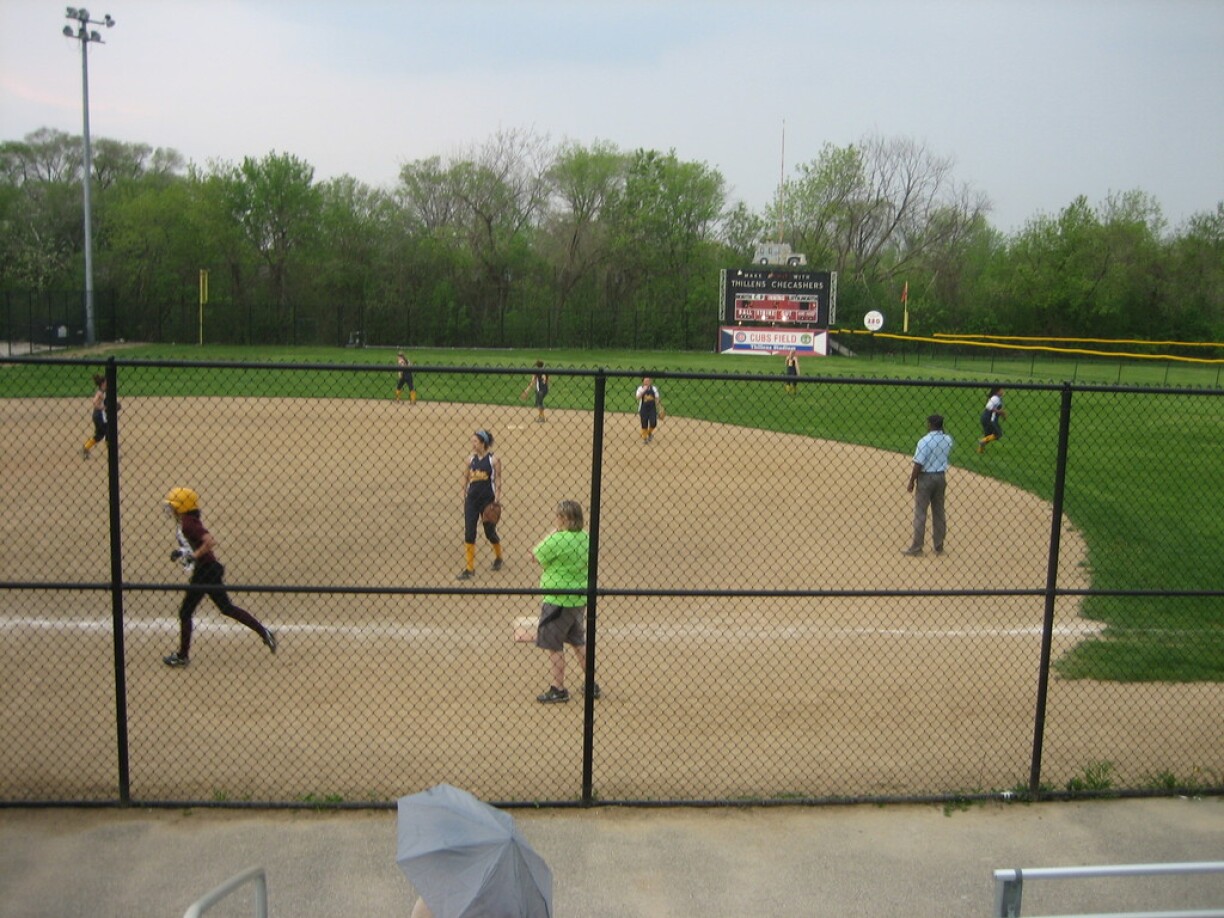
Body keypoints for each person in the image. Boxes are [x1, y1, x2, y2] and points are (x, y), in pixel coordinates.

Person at [161, 487, 276, 667]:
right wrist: (183, 552)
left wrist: (193, 556)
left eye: (174, 506)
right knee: (226, 608)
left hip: (205, 571)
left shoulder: (188, 524)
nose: (171, 509)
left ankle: (182, 656)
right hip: (207, 570)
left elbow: (209, 542)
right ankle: (264, 632)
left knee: (186, 612)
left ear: (182, 507)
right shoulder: (188, 521)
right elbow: (196, 546)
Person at [532, 500, 599, 704]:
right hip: (578, 599)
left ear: (563, 519)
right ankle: (591, 684)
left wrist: (552, 533)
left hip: (557, 600)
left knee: (554, 644)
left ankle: (558, 689)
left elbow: (534, 556)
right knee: (578, 641)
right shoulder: (587, 538)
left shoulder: (558, 539)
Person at [903, 414, 954, 557]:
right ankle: (939, 546)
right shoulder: (947, 439)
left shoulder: (924, 441)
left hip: (926, 478)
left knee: (920, 512)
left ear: (930, 424)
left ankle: (917, 547)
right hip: (941, 477)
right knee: (939, 511)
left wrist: (911, 481)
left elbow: (918, 463)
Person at [458, 429, 503, 580]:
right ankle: (469, 569)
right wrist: (463, 492)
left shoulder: (493, 460)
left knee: (490, 532)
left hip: (487, 501)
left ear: (483, 443)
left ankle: (498, 557)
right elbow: (465, 478)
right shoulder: (470, 460)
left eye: (475, 442)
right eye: (472, 442)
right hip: (471, 501)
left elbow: (497, 479)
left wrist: (497, 497)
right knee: (469, 532)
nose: (473, 444)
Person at [81, 374, 109, 459]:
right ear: (103, 383)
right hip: (99, 416)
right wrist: (103, 407)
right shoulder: (100, 393)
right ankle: (111, 452)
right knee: (108, 432)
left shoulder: (103, 392)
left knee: (99, 435)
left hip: (97, 415)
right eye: (106, 382)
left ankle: (86, 447)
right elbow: (94, 401)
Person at [977, 386, 1006, 453]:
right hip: (989, 419)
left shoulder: (998, 398)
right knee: (998, 434)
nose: (1003, 391)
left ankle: (980, 450)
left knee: (988, 436)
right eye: (1001, 390)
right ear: (997, 391)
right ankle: (982, 441)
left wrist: (1002, 415)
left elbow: (997, 409)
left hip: (986, 418)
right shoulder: (995, 398)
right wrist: (1000, 412)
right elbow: (988, 406)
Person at [635, 376, 663, 443]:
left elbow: (657, 398)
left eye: (648, 380)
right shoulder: (640, 388)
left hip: (652, 409)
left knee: (653, 423)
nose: (647, 382)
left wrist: (660, 408)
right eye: (646, 380)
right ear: (643, 381)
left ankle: (649, 433)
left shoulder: (654, 389)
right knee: (644, 424)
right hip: (643, 409)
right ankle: (645, 439)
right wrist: (644, 390)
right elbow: (637, 397)